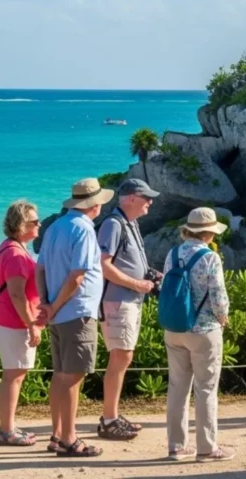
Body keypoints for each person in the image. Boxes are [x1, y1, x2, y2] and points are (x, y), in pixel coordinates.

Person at [36, 178, 111, 458]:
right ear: (95, 204)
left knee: (60, 375)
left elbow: (39, 269)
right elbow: (77, 276)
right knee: (73, 377)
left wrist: (45, 304)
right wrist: (53, 307)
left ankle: (57, 434)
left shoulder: (55, 226)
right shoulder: (84, 230)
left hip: (59, 313)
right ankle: (69, 439)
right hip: (77, 312)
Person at [164, 207, 233, 462]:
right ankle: (207, 448)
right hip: (203, 330)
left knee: (177, 388)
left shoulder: (173, 254)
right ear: (209, 233)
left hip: (174, 328)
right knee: (205, 389)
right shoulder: (209, 257)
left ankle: (176, 446)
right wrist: (223, 317)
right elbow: (218, 294)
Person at [97, 178, 162, 441]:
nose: (151, 202)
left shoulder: (129, 223)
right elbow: (104, 265)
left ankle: (112, 414)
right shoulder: (113, 225)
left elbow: (127, 262)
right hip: (118, 301)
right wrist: (137, 283)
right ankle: (108, 419)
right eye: (146, 197)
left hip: (130, 300)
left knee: (124, 356)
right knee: (120, 356)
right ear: (131, 198)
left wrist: (152, 276)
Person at [0, 200, 43, 447]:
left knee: (14, 373)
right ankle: (6, 430)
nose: (39, 224)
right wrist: (31, 323)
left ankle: (8, 425)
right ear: (21, 225)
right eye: (34, 221)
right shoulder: (16, 254)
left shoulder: (9, 247)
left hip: (6, 318)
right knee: (14, 375)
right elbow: (17, 294)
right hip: (13, 321)